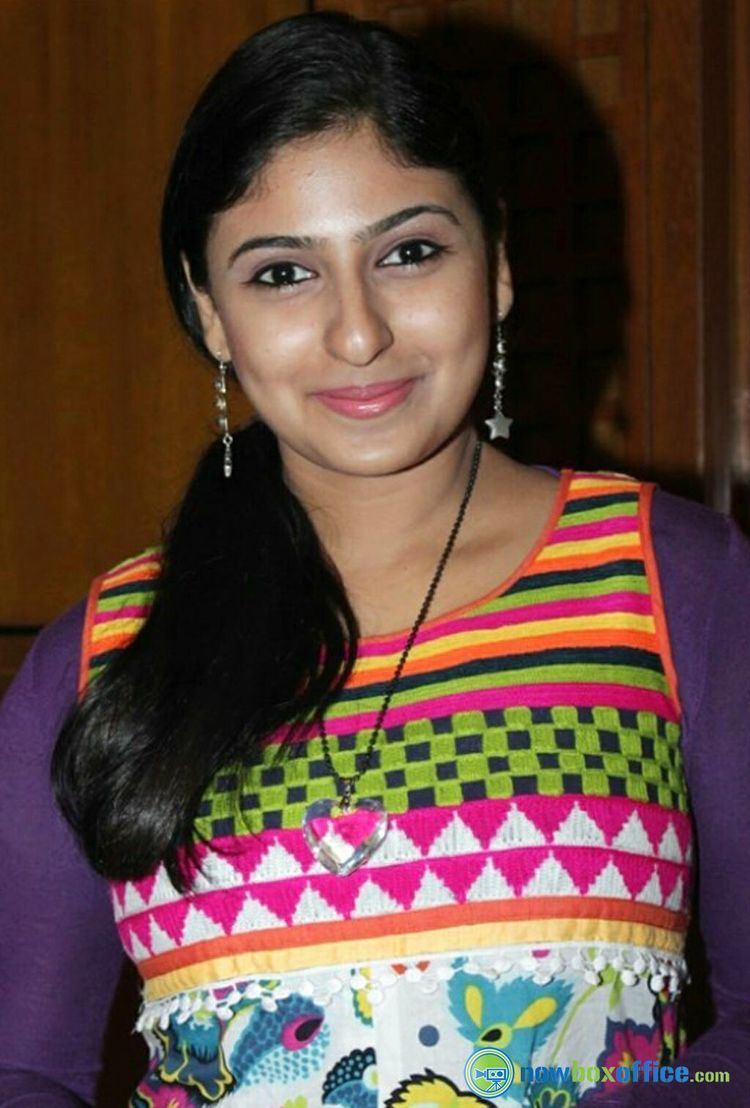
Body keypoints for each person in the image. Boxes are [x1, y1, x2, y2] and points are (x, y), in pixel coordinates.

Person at [1, 11, 748, 1107]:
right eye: (281, 274)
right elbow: (21, 1066)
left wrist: (656, 1093)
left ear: (494, 263)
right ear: (211, 314)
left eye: (408, 252)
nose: (359, 333)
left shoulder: (674, 584)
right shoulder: (104, 657)